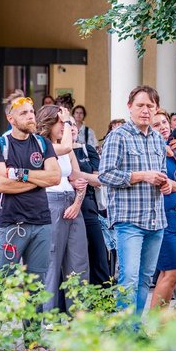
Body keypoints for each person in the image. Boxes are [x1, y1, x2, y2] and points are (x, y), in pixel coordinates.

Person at [98, 86, 169, 317]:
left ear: (156, 109)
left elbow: (158, 174)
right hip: (129, 220)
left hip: (155, 220)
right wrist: (141, 176)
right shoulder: (118, 136)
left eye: (150, 106)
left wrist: (164, 183)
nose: (145, 110)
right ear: (129, 107)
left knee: (145, 279)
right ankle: (124, 333)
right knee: (129, 277)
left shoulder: (159, 139)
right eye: (140, 105)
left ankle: (135, 329)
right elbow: (105, 174)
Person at [0, 95, 60, 294]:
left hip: (42, 222)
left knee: (36, 286)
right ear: (11, 119)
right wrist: (38, 181)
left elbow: (54, 178)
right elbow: (1, 184)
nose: (31, 116)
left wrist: (21, 174)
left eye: (31, 112)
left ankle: (33, 327)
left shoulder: (43, 143)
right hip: (12, 223)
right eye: (24, 113)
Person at [38, 106, 95, 311]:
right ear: (49, 123)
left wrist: (77, 202)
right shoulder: (41, 145)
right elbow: (66, 148)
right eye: (62, 122)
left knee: (78, 262)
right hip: (51, 203)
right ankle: (49, 315)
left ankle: (78, 316)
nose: (66, 127)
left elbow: (78, 178)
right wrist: (70, 123)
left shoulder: (67, 150)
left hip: (72, 204)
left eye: (67, 123)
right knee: (52, 262)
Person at [149, 110, 176, 309]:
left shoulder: (173, 148)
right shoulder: (151, 150)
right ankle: (155, 322)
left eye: (165, 122)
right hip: (163, 216)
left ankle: (160, 324)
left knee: (173, 272)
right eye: (157, 125)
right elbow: (162, 181)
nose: (163, 127)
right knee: (173, 271)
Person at [69, 120, 111, 286]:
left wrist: (74, 174)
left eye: (73, 124)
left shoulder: (87, 149)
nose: (71, 127)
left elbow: (99, 180)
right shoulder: (54, 151)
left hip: (88, 206)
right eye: (66, 124)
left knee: (98, 253)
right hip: (62, 206)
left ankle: (102, 300)